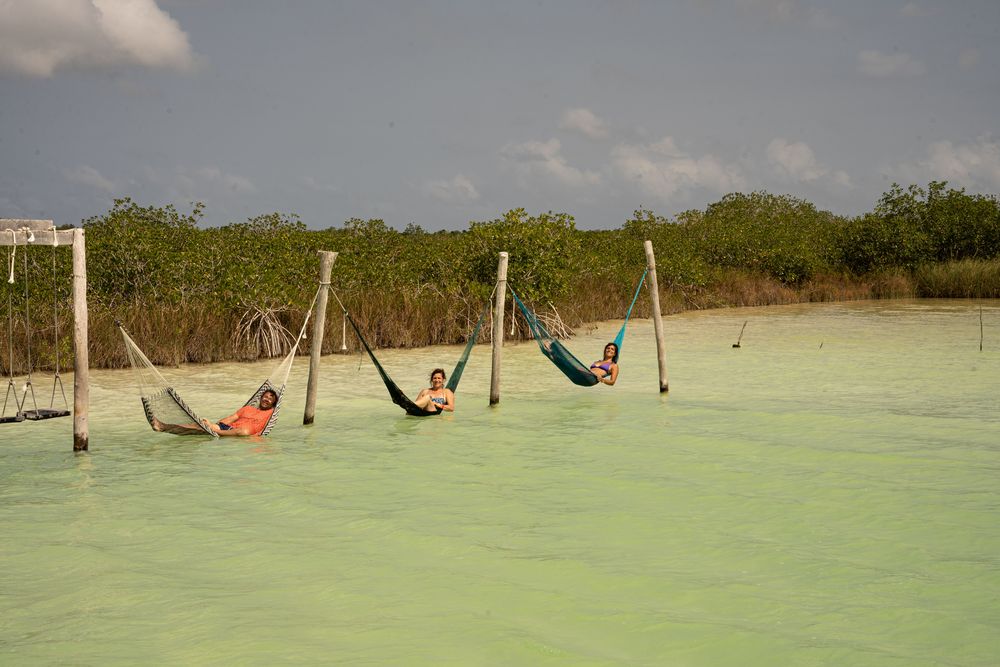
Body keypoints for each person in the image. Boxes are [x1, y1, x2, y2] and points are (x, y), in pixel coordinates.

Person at [151, 389, 278, 436]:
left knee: (244, 431)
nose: (267, 399)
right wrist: (213, 425)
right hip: (227, 429)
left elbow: (262, 431)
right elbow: (231, 418)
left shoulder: (271, 413)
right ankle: (163, 427)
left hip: (240, 433)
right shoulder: (248, 409)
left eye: (270, 398)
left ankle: (217, 432)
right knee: (200, 425)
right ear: (261, 398)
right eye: (265, 397)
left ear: (273, 403)